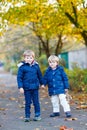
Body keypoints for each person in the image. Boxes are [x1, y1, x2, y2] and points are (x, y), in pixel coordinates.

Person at [17, 50, 43, 122]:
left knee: (36, 102)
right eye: (27, 58)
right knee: (28, 102)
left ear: (33, 58)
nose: (29, 59)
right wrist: (20, 87)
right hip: (26, 88)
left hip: (35, 87)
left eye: (30, 58)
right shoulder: (22, 67)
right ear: (24, 58)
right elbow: (19, 78)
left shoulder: (36, 66)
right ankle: (27, 116)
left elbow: (40, 76)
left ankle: (37, 115)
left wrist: (42, 83)